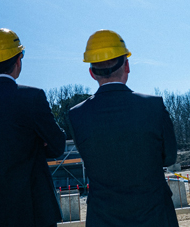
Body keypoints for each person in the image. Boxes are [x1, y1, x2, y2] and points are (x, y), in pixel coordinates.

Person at [68, 30, 179, 227]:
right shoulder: (153, 106)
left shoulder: (77, 115)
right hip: (155, 215)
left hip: (103, 219)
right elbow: (169, 157)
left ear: (92, 73)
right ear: (127, 65)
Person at [0, 29, 66, 227]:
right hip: (32, 212)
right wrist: (37, 144)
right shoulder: (32, 99)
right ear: (18, 60)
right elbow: (57, 145)